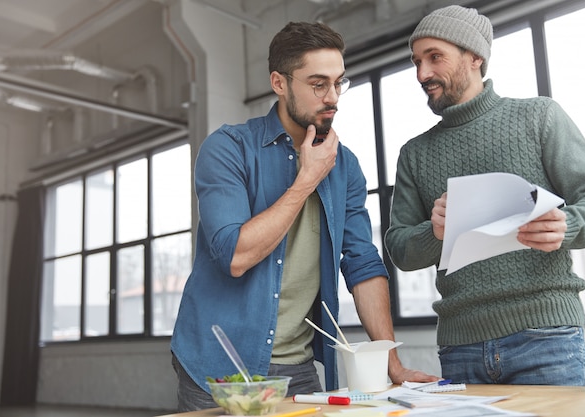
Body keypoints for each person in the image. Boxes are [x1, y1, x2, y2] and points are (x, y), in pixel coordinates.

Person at [170, 21, 438, 412]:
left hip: (297, 370)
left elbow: (362, 264)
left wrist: (392, 364)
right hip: (219, 369)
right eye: (317, 84)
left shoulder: (344, 165)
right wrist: (306, 179)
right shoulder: (227, 148)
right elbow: (235, 256)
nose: (332, 98)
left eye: (338, 83)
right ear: (279, 83)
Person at [385, 5, 585, 386]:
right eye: (417, 61)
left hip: (548, 339)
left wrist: (568, 224)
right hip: (461, 347)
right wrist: (434, 232)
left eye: (435, 57)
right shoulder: (415, 153)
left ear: (475, 57)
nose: (422, 74)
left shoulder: (539, 117)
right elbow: (399, 248)